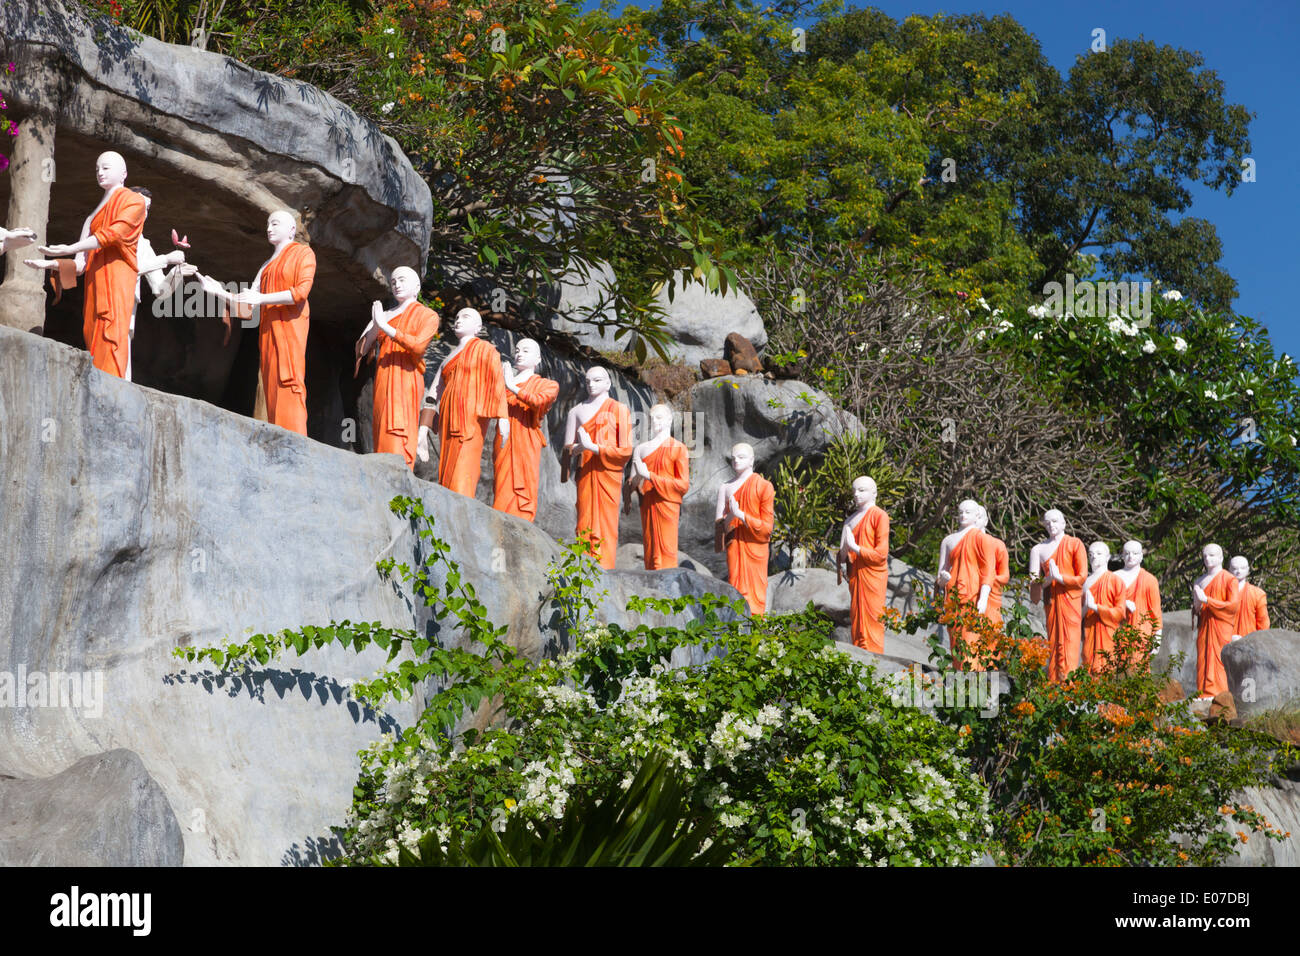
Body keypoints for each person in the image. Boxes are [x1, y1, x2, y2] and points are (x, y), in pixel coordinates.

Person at [26, 151, 146, 378]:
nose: (100, 173)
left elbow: (115, 234)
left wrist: (71, 247)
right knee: (93, 333)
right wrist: (50, 264)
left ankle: (113, 387)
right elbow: (80, 265)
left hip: (117, 278)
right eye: (97, 168)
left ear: (124, 173)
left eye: (106, 168)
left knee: (112, 333)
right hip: (95, 283)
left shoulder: (133, 200)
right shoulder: (91, 217)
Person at [200, 210, 316, 434]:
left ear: (292, 229)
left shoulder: (303, 254)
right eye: (267, 224)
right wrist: (219, 292)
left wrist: (261, 298)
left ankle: (297, 440)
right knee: (269, 384)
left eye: (275, 223)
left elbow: (301, 293)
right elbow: (247, 306)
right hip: (268, 333)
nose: (269, 228)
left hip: (290, 330)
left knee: (289, 381)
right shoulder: (265, 266)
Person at [355, 266, 439, 469]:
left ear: (417, 286)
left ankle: (400, 472)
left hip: (407, 379)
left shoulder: (427, 315)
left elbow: (418, 346)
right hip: (384, 377)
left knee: (400, 426)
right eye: (393, 282)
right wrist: (377, 324)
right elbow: (362, 350)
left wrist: (386, 327)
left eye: (402, 280)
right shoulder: (384, 315)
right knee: (382, 424)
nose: (397, 285)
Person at [420, 307, 507, 495]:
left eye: (465, 317)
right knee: (446, 467)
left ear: (478, 327)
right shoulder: (449, 357)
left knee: (464, 467)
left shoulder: (484, 348)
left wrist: (503, 417)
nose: (458, 320)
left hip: (469, 418)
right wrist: (423, 428)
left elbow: (497, 381)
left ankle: (461, 511)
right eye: (457, 317)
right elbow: (433, 393)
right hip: (447, 418)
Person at [563, 367, 633, 567]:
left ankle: (606, 568)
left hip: (608, 475)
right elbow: (567, 450)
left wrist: (594, 447)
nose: (591, 384)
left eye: (597, 380)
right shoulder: (576, 411)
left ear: (608, 383)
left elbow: (625, 450)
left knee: (607, 524)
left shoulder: (619, 409)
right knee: (584, 519)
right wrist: (578, 448)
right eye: (588, 381)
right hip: (585, 474)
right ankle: (584, 569)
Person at [491, 338, 559, 521]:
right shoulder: (502, 383)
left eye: (526, 351)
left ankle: (521, 523)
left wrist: (511, 385)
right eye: (518, 350)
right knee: (502, 482)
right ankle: (500, 520)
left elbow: (539, 401)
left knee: (524, 486)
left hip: (526, 438)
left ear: (538, 359)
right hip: (504, 438)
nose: (519, 354)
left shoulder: (548, 385)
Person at [625, 404, 690, 569]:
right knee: (650, 548)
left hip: (667, 504)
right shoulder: (641, 449)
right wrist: (639, 476)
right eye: (652, 418)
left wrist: (650, 476)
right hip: (648, 503)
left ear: (669, 419)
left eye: (659, 417)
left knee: (667, 549)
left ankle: (667, 589)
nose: (655, 421)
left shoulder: (678, 448)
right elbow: (630, 486)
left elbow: (683, 485)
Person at [715, 442, 774, 615]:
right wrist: (732, 516)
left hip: (756, 547)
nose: (736, 461)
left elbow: (767, 528)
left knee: (756, 593)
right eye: (733, 458)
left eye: (741, 457)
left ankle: (755, 627)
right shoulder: (725, 488)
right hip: (736, 545)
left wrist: (741, 515)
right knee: (736, 586)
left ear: (752, 460)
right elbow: (720, 527)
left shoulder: (763, 486)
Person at [1029, 508, 1088, 681]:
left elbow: (1082, 577)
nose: (1051, 525)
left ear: (1063, 523)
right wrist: (1049, 579)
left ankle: (1069, 684)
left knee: (1070, 642)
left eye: (1054, 521)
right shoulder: (1038, 549)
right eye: (1047, 522)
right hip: (1052, 602)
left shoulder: (1075, 544)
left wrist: (1060, 577)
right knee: (1054, 642)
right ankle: (1054, 683)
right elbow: (1034, 583)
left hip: (1071, 600)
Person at [936, 499, 994, 668]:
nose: (963, 515)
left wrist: (983, 598)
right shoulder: (948, 540)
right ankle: (960, 690)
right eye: (960, 512)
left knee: (971, 644)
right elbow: (940, 576)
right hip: (953, 598)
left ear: (977, 515)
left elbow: (988, 572)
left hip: (973, 597)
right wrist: (942, 581)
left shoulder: (983, 539)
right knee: (957, 645)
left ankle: (973, 688)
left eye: (968, 512)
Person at [837, 476, 890, 652]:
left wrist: (855, 548)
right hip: (856, 576)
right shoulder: (849, 520)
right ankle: (859, 652)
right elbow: (843, 557)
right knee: (857, 616)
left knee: (873, 617)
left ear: (874, 493)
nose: (856, 494)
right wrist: (844, 550)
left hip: (873, 575)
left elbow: (881, 554)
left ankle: (874, 654)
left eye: (861, 490)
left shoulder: (879, 515)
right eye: (854, 491)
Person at [1192, 544, 1241, 699]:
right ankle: (1203, 692)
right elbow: (1196, 610)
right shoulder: (1200, 581)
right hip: (1205, 626)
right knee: (1203, 659)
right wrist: (1198, 604)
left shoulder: (1229, 579)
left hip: (1221, 626)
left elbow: (1232, 606)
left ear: (1221, 557)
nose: (1208, 558)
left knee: (1219, 660)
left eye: (1212, 555)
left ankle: (1220, 695)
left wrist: (1207, 599)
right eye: (1205, 555)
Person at [1114, 540, 1162, 665]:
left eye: (1135, 553)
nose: (1131, 557)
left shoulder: (1149, 580)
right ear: (1122, 555)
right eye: (1127, 553)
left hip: (1141, 633)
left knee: (1137, 671)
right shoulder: (1113, 578)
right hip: (1118, 631)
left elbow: (1155, 612)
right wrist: (1122, 603)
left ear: (1141, 556)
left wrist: (1157, 639)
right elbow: (1105, 603)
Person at [1081, 542, 1127, 673]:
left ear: (1107, 557)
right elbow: (1078, 616)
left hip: (1108, 634)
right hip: (1089, 633)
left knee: (1107, 669)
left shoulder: (1115, 580)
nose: (1094, 556)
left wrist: (1096, 608)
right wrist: (1086, 608)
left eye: (1098, 553)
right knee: (1088, 669)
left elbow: (1120, 612)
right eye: (1091, 554)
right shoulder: (1085, 583)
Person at [976, 505, 1011, 629]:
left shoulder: (997, 544)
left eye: (978, 517)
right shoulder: (961, 543)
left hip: (991, 597)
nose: (975, 521)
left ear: (986, 521)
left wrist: (987, 580)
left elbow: (1005, 575)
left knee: (990, 636)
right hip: (967, 594)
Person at [1228, 555, 1270, 641]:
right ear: (1229, 570)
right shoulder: (1222, 593)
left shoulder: (1257, 594)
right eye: (1235, 568)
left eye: (1242, 568)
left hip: (1250, 642)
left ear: (1248, 570)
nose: (1238, 571)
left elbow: (1263, 624)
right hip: (1225, 641)